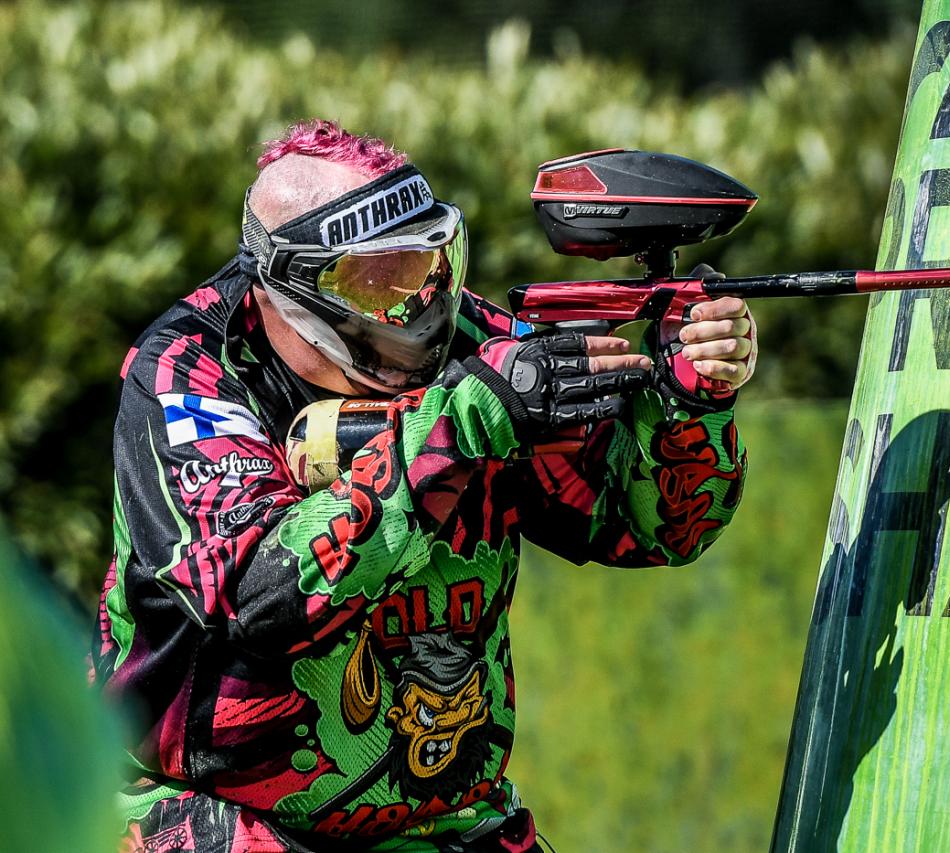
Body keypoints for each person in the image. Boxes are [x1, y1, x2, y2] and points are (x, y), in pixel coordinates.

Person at [92, 120, 756, 852]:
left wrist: (688, 400)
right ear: (288, 282)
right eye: (374, 281)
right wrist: (459, 426)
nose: (414, 307)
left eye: (423, 267)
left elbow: (654, 527)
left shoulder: (475, 344)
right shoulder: (188, 369)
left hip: (444, 818)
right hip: (216, 816)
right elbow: (260, 599)